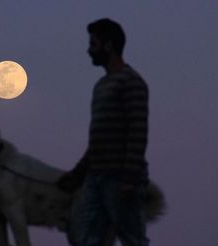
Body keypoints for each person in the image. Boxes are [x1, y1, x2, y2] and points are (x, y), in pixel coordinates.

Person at [57, 18, 150, 246]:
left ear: (108, 46)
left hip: (120, 178)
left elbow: (138, 131)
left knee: (132, 238)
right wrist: (77, 175)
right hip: (95, 178)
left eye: (93, 44)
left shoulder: (131, 82)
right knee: (85, 237)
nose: (89, 50)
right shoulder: (101, 86)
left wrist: (128, 179)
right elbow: (97, 140)